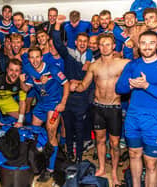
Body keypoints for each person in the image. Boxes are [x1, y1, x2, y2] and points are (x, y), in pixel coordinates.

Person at [116, 31, 157, 187]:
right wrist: (131, 84)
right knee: (134, 155)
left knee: (151, 163)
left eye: (151, 43)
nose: (147, 46)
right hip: (133, 117)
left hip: (155, 120)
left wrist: (146, 85)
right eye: (143, 43)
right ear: (138, 45)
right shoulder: (133, 65)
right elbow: (119, 87)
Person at [70, 33, 130, 186]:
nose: (104, 47)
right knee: (100, 141)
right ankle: (102, 168)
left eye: (107, 44)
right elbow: (84, 85)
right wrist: (72, 85)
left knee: (115, 144)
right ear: (98, 46)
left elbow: (142, 66)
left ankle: (115, 173)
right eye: (101, 44)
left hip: (114, 107)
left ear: (114, 46)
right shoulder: (94, 65)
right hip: (98, 107)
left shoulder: (123, 63)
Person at [20, 47, 69, 182]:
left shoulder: (52, 69)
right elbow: (25, 88)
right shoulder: (29, 70)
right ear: (29, 59)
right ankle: (38, 162)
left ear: (41, 57)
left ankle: (50, 169)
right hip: (41, 104)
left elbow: (66, 84)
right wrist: (21, 79)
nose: (35, 60)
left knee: (51, 133)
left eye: (37, 57)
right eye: (32, 58)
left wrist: (63, 102)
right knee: (34, 133)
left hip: (53, 104)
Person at [53, 15, 92, 163]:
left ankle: (80, 157)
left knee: (80, 130)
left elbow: (92, 81)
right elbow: (57, 43)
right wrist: (57, 25)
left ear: (88, 44)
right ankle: (69, 154)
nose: (82, 43)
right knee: (68, 128)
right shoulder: (68, 54)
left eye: (85, 41)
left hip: (82, 100)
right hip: (68, 97)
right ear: (76, 42)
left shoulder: (92, 60)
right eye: (80, 41)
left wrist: (81, 82)